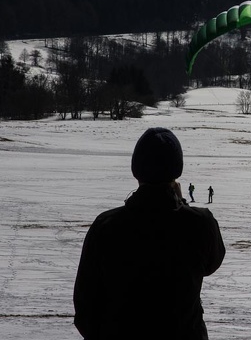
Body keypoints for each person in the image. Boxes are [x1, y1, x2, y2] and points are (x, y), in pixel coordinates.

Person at [74, 127, 225, 340]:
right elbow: (211, 264)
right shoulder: (200, 223)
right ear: (176, 169)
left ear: (137, 170)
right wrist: (180, 204)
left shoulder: (106, 226)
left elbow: (85, 309)